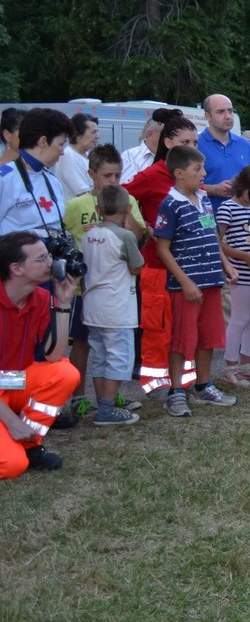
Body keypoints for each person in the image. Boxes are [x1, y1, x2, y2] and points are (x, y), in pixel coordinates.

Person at [151, 145, 238, 417]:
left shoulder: (203, 199)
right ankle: (176, 391)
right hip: (187, 286)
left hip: (211, 280)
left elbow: (214, 237)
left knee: (208, 338)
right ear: (178, 174)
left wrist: (226, 266)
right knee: (182, 339)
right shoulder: (171, 204)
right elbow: (162, 247)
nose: (203, 174)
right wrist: (185, 282)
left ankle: (203, 385)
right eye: (197, 169)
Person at [126, 110, 197, 395]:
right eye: (187, 142)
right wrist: (141, 226)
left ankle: (182, 382)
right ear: (167, 143)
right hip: (157, 265)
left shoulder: (193, 175)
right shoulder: (152, 175)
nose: (193, 148)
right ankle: (156, 384)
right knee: (157, 328)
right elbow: (120, 196)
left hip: (188, 265)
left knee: (185, 328)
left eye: (195, 143)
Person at [0, 231, 79, 475]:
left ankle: (30, 444)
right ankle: (14, 440)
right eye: (42, 259)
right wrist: (11, 422)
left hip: (11, 381)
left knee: (65, 372)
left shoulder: (41, 297)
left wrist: (64, 303)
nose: (51, 264)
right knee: (12, 466)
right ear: (16, 268)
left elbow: (54, 357)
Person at [81, 184, 143, 426]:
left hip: (93, 306)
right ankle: (107, 408)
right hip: (117, 308)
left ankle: (101, 402)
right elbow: (137, 267)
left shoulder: (89, 235)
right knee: (118, 357)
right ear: (128, 209)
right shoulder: (125, 236)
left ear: (98, 209)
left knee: (100, 356)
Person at [216, 166, 250, 389]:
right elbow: (219, 241)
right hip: (240, 273)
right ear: (242, 187)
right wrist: (241, 256)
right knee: (239, 319)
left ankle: (247, 363)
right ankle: (231, 367)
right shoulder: (228, 209)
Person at [0, 106, 71, 238]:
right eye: (61, 144)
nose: (62, 152)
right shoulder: (5, 178)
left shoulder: (53, 181)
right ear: (43, 141)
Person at [195, 94, 250, 212]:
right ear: (207, 116)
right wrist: (214, 189)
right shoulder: (195, 145)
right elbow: (182, 185)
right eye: (220, 112)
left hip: (243, 221)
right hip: (210, 220)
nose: (228, 116)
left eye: (230, 111)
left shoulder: (245, 145)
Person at [54, 113, 98, 198]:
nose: (98, 136)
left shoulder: (88, 156)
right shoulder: (68, 156)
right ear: (78, 135)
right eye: (93, 132)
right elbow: (83, 193)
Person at [119, 117, 160, 184]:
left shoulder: (171, 158)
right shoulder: (129, 157)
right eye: (165, 133)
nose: (169, 137)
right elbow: (126, 190)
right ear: (149, 134)